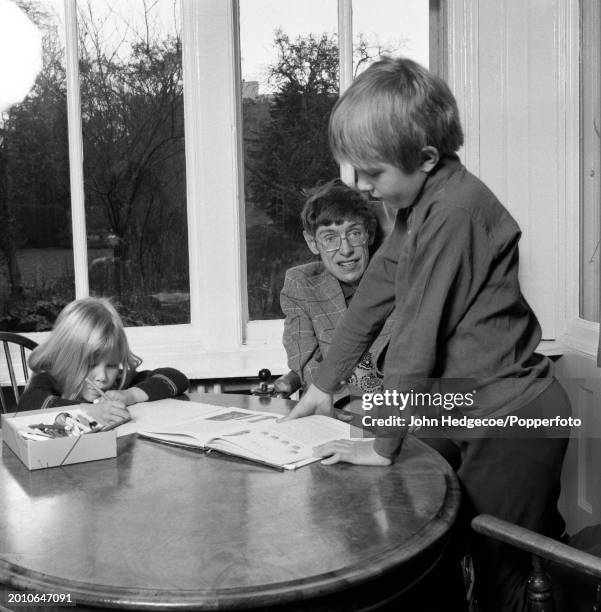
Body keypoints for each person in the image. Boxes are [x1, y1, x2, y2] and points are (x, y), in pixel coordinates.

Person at [286, 56, 571, 612]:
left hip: (514, 418)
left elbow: (415, 339)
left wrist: (384, 444)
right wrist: (322, 386)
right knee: (443, 550)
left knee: (501, 578)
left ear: (425, 158)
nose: (361, 187)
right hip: (466, 407)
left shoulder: (454, 212)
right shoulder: (418, 204)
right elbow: (374, 295)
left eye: (372, 173)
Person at [280, 179, 394, 404]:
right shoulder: (301, 284)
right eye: (330, 238)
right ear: (313, 243)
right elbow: (308, 368)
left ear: (369, 235)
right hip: (334, 411)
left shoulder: (399, 282)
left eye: (354, 233)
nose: (346, 250)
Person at [19, 297, 189, 427]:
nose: (102, 377)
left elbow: (177, 378)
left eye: (112, 365)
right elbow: (28, 405)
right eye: (91, 364)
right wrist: (86, 411)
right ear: (66, 359)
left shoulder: (117, 383)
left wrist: (130, 395)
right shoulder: (52, 379)